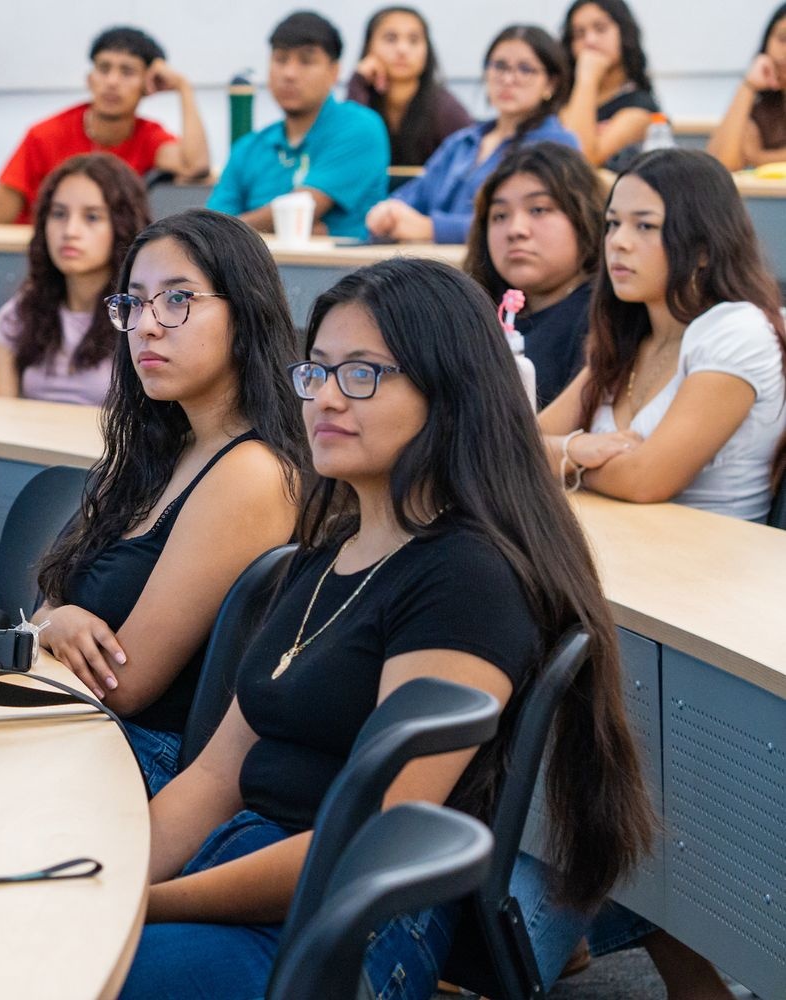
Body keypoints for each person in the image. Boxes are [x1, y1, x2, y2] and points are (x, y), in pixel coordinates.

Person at [118, 256, 652, 1000]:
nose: (326, 397)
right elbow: (213, 778)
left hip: (348, 927)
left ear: (450, 392)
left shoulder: (467, 578)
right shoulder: (325, 556)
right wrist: (105, 880)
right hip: (245, 875)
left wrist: (143, 907)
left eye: (363, 374)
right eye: (317, 371)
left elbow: (372, 840)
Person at [33, 209, 304, 794]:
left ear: (245, 313)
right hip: (78, 726)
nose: (147, 327)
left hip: (136, 759)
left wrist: (51, 623)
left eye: (178, 299)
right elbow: (44, 604)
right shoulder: (158, 449)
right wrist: (56, 620)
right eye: (133, 304)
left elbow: (125, 684)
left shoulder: (251, 473)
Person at [538, 148, 786, 523]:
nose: (618, 242)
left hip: (709, 553)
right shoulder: (628, 339)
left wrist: (565, 460)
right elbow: (515, 446)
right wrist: (575, 449)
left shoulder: (738, 330)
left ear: (703, 250)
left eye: (645, 226)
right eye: (613, 223)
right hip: (616, 541)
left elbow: (646, 480)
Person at [366, 25, 576, 245]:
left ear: (551, 83)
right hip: (436, 260)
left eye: (525, 69)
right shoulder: (462, 142)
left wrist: (431, 228)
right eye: (499, 66)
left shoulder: (557, 145)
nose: (508, 79)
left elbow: (533, 224)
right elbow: (416, 193)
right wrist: (388, 212)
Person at [0, 27, 208, 225]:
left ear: (148, 85)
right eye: (103, 68)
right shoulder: (44, 136)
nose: (112, 82)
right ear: (89, 79)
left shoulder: (148, 136)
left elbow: (195, 166)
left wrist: (183, 87)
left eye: (127, 72)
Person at [208, 12, 389, 239]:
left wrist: (229, 231)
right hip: (252, 261)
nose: (289, 74)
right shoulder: (249, 147)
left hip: (337, 262)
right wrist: (225, 231)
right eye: (280, 59)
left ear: (334, 71)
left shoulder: (361, 128)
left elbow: (301, 211)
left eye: (306, 61)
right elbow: (209, 226)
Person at [0, 153, 151, 406]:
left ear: (123, 226)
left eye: (92, 217)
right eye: (58, 214)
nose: (70, 231)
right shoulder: (20, 313)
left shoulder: (144, 318)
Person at [465, 142, 604, 407]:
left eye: (538, 209)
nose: (515, 230)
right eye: (500, 216)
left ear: (584, 216)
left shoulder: (604, 317)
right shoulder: (478, 314)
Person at [345, 5, 472, 167]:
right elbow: (348, 153)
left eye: (414, 40)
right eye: (391, 39)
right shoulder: (360, 96)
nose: (402, 49)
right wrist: (357, 83)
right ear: (369, 46)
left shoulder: (445, 108)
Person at [559, 0, 661, 169]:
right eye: (579, 34)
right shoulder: (561, 97)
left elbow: (578, 159)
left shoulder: (639, 106)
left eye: (600, 29)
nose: (590, 41)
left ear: (623, 33)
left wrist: (587, 78)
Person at [706, 4, 786, 172]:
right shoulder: (760, 110)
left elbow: (754, 158)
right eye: (782, 39)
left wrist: (759, 159)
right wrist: (748, 85)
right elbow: (720, 166)